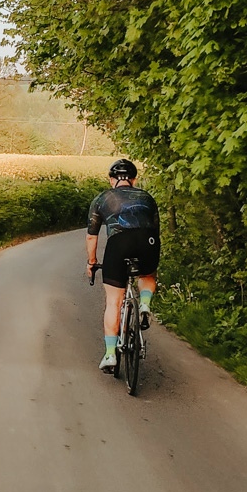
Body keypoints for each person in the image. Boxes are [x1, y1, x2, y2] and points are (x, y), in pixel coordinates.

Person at [86, 158, 161, 371]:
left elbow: (92, 237)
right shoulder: (147, 197)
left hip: (119, 244)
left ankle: (110, 354)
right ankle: (145, 303)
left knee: (113, 301)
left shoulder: (102, 199)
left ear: (111, 180)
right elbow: (155, 229)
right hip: (149, 241)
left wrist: (92, 262)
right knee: (148, 275)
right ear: (134, 179)